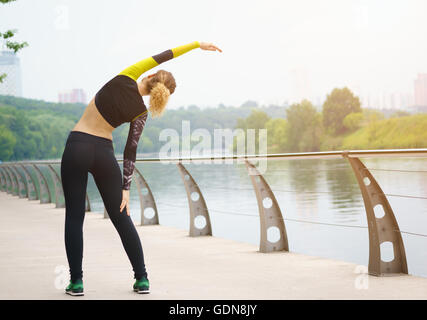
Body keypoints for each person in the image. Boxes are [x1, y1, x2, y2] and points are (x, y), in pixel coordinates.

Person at [60, 40, 222, 296]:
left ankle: (76, 283)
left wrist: (196, 45)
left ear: (149, 75)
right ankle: (142, 278)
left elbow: (165, 55)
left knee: (74, 217)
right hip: (104, 153)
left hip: (78, 145)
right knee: (122, 218)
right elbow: (130, 151)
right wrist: (125, 188)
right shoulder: (141, 113)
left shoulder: (128, 74)